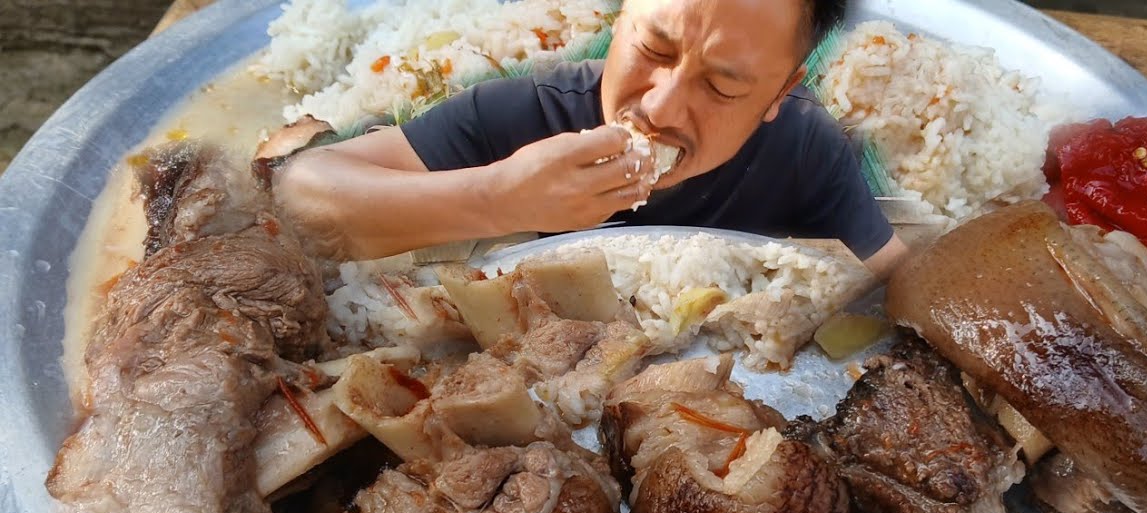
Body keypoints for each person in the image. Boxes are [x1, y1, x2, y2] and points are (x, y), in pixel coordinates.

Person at [274, 0, 908, 276]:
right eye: (654, 48)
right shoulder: (527, 113)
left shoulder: (806, 150)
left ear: (778, 95)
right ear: (619, 19)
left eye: (721, 87)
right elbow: (303, 197)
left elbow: (900, 284)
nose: (659, 107)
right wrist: (499, 198)